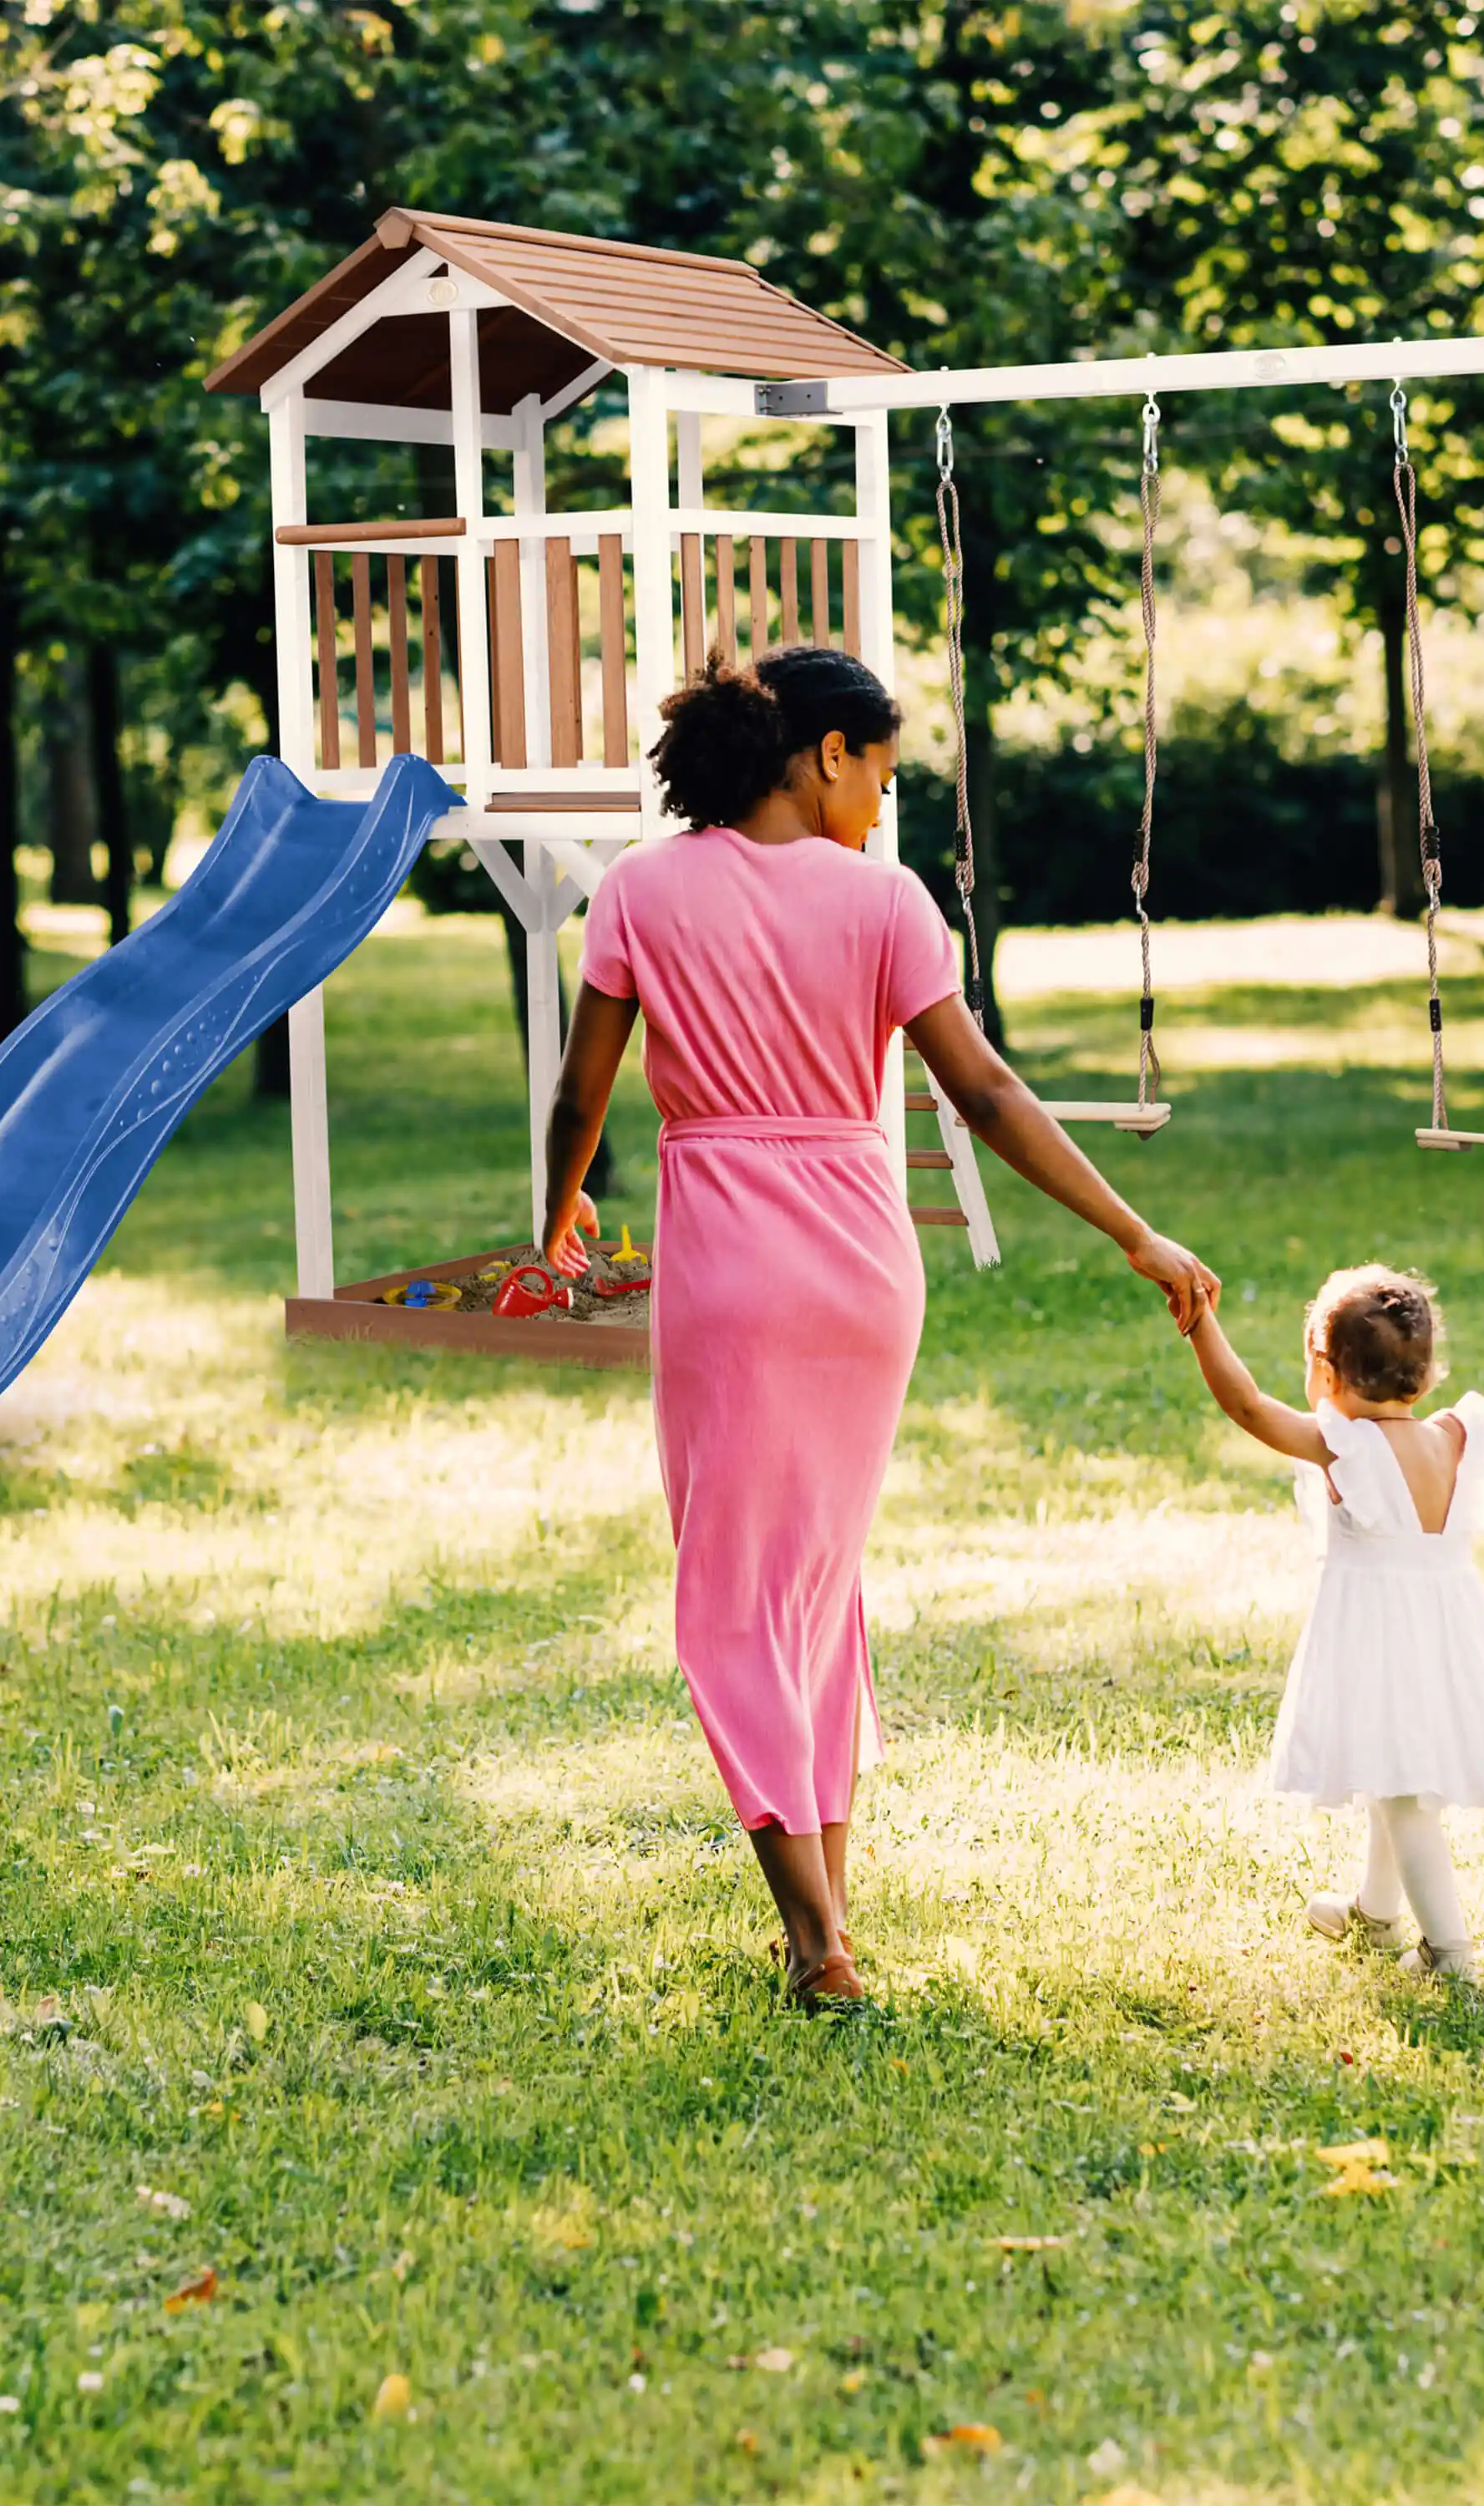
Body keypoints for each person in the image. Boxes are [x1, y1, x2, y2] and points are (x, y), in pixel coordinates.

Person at [537, 646, 1218, 2011]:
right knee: (815, 1589)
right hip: (861, 1269)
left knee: (733, 1598)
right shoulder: (886, 904)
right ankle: (829, 1915)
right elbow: (987, 1095)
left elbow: (582, 1095)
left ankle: (816, 1942)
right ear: (825, 753)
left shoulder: (641, 893)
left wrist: (552, 1222)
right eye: (883, 773)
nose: (882, 803)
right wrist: (1131, 1229)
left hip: (729, 1267)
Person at [1179, 1266, 1484, 1980]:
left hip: (1379, 1639)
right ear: (1425, 1376)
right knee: (1390, 1768)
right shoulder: (1454, 1435)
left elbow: (1247, 1406)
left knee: (1403, 1796)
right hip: (1446, 1634)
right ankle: (1375, 1913)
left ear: (1328, 1372)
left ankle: (1449, 1951)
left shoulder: (1345, 1448)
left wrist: (1199, 1323)